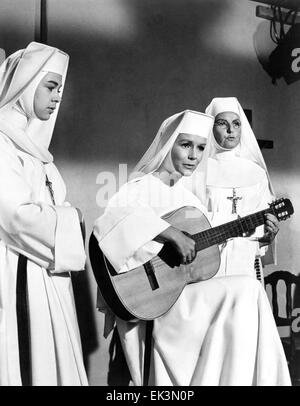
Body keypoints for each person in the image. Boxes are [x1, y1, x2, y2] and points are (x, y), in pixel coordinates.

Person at [93, 110, 291, 386]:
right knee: (248, 291)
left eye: (200, 147)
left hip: (182, 296)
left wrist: (250, 237)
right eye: (185, 145)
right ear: (168, 144)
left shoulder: (190, 201)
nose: (194, 155)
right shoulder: (139, 188)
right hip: (151, 301)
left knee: (249, 289)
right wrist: (169, 233)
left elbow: (200, 264)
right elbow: (108, 226)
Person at [0, 42, 88, 386]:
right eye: (50, 86)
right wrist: (70, 218)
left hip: (46, 272)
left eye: (60, 90)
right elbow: (14, 214)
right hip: (18, 270)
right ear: (25, 81)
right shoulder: (2, 143)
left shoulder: (32, 148)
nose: (57, 97)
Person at [203, 97, 278, 281]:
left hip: (246, 263)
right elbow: (191, 218)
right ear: (210, 128)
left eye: (236, 124)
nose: (231, 130)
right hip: (207, 263)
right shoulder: (198, 171)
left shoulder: (256, 173)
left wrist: (269, 233)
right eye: (222, 123)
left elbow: (263, 231)